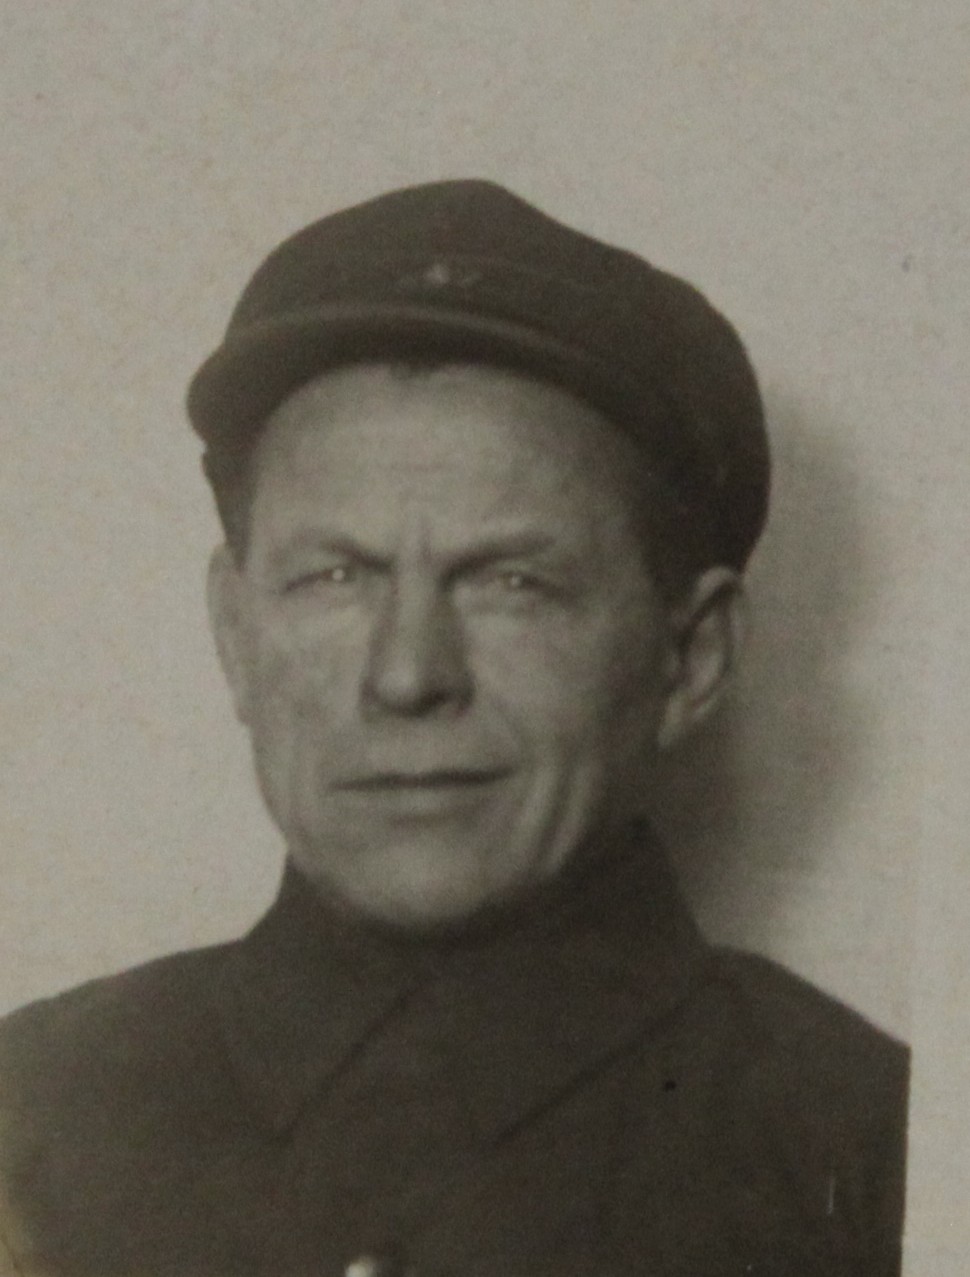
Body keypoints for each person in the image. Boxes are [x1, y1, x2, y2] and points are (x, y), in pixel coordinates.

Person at [0, 180, 908, 1277]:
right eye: (334, 575)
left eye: (512, 581)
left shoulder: (880, 1153)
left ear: (692, 657)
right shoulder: (28, 1112)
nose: (407, 674)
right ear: (236, 635)